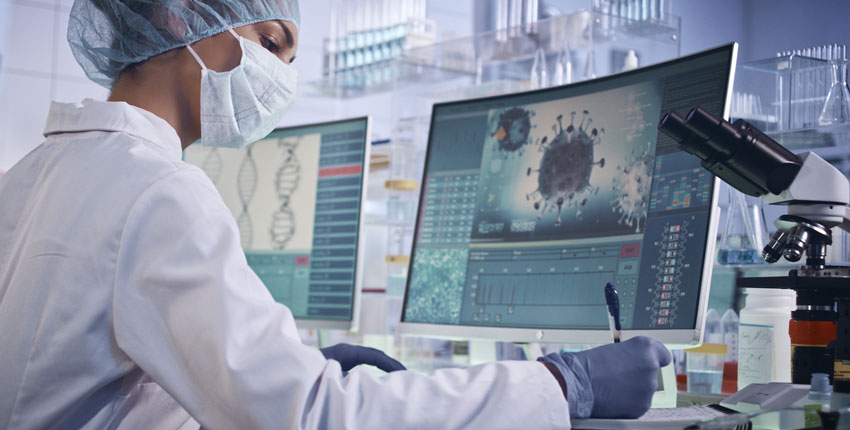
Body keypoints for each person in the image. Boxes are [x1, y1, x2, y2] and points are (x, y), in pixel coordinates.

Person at [0, 1, 671, 428]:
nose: (279, 76)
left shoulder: (30, 178)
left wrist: (291, 361)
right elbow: (312, 420)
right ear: (179, 17)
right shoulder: (157, 191)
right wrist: (562, 383)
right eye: (272, 41)